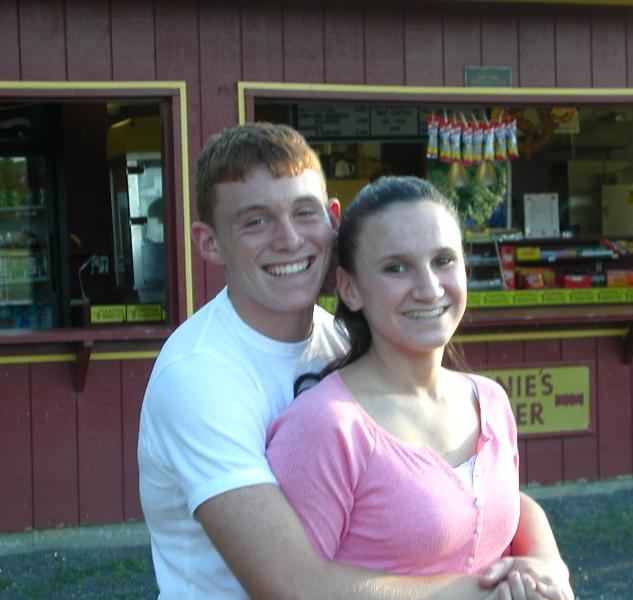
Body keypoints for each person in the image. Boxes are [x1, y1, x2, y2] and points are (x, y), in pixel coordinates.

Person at [138, 122, 571, 599]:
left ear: (332, 219)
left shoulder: (342, 338)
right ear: (209, 243)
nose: (289, 239)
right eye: (256, 222)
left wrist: (546, 564)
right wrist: (491, 591)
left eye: (304, 213)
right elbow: (293, 587)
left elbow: (466, 491)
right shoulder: (199, 378)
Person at [267, 176, 572, 598]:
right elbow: (295, 589)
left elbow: (496, 503)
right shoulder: (323, 426)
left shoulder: (488, 401)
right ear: (350, 289)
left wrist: (547, 563)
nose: (429, 289)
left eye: (444, 260)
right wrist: (477, 593)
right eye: (396, 268)